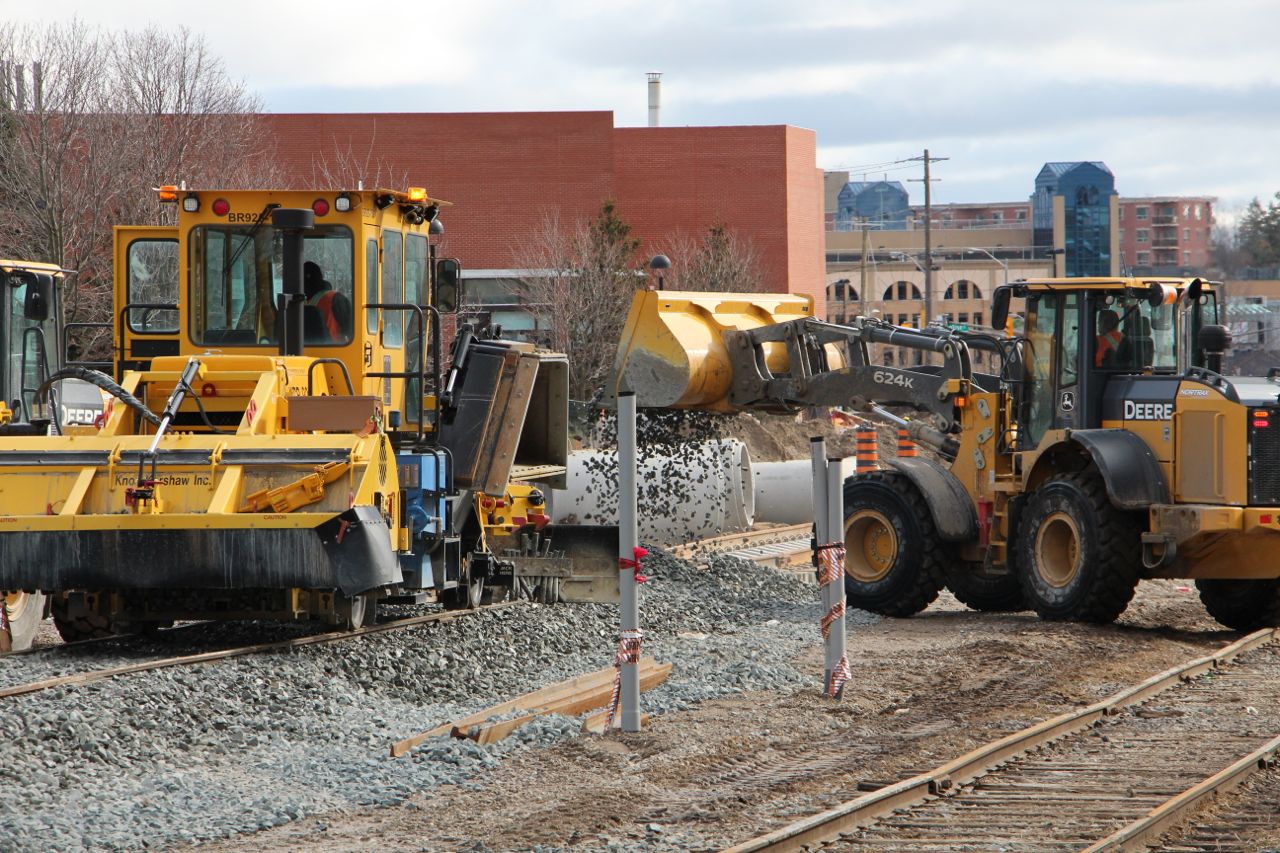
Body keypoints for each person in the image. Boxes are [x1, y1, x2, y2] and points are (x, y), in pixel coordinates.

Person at [303, 261, 352, 342]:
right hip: (331, 349)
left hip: (330, 349)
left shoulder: (293, 303)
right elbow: (352, 330)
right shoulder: (336, 299)